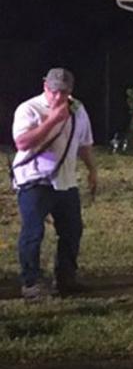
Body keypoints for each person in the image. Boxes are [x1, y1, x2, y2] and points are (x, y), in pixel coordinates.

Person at [11, 67, 98, 299]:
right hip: (35, 181)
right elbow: (22, 143)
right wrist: (51, 121)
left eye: (64, 92)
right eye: (54, 91)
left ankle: (66, 278)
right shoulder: (29, 109)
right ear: (45, 87)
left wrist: (92, 170)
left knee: (72, 231)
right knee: (33, 232)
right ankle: (31, 282)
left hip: (66, 182)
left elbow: (84, 143)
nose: (59, 97)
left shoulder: (77, 109)